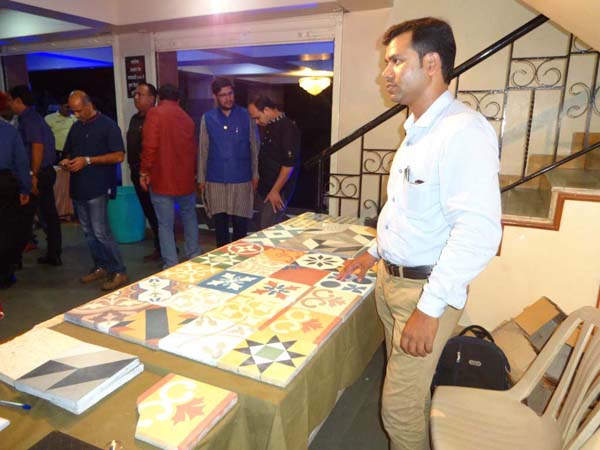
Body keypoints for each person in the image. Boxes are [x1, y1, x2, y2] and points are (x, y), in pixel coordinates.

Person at [337, 18, 502, 450]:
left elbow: (478, 232)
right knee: (408, 396)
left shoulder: (462, 131)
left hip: (424, 292)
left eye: (396, 61)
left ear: (431, 64)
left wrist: (429, 309)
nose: (385, 73)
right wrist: (374, 252)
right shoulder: (417, 130)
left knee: (397, 409)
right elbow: (408, 212)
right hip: (394, 281)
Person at [60, 90, 129, 291]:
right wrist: (66, 161)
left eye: (79, 110)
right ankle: (101, 266)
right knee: (88, 232)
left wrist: (89, 160)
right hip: (78, 188)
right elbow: (68, 152)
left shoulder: (108, 125)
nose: (76, 115)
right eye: (73, 111)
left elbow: (119, 156)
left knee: (101, 232)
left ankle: (119, 270)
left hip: (98, 187)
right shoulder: (76, 127)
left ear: (89, 105)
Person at [140, 84, 200, 269]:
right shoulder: (187, 118)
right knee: (189, 217)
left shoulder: (155, 114)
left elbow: (150, 146)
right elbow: (193, 150)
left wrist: (144, 171)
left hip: (162, 178)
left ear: (159, 98)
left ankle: (171, 263)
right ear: (178, 99)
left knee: (165, 224)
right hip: (185, 179)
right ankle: (194, 256)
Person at [197, 78, 259, 247]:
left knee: (240, 224)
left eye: (230, 93)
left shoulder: (246, 116)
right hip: (215, 179)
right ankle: (221, 258)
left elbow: (254, 147)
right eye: (223, 95)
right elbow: (203, 150)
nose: (228, 98)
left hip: (242, 179)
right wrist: (201, 179)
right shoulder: (208, 118)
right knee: (220, 224)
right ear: (215, 97)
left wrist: (255, 174)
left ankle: (240, 258)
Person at [8, 85, 62, 267]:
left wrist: (33, 174)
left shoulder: (29, 119)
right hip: (42, 171)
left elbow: (37, 146)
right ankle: (53, 253)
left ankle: (18, 259)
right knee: (46, 214)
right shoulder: (31, 117)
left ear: (18, 101)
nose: (9, 104)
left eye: (11, 100)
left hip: (39, 173)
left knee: (29, 215)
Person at [248, 95, 301, 231]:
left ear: (266, 110)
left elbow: (288, 165)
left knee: (268, 229)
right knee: (265, 227)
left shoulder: (287, 128)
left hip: (277, 190)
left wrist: (275, 191)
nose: (256, 122)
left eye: (257, 117)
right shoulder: (271, 125)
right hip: (266, 188)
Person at [127, 82, 161, 262]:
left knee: (158, 213)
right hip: (136, 172)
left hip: (150, 174)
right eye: (136, 94)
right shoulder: (135, 119)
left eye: (141, 94)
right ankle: (159, 247)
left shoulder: (155, 119)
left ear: (152, 98)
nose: (136, 98)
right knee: (149, 211)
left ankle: (165, 248)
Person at [0, 119, 31, 288]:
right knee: (7, 229)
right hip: (4, 182)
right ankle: (5, 275)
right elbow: (21, 161)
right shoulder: (9, 130)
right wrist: (25, 188)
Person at [45, 96, 76, 162]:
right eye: (67, 107)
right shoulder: (49, 118)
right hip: (53, 151)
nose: (69, 109)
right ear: (60, 106)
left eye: (70, 107)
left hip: (69, 153)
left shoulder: (75, 119)